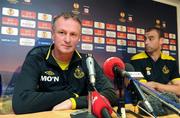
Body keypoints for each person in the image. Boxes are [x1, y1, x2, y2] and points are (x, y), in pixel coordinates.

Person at [12, 12, 117, 114]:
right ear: (53, 35)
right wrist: (69, 95)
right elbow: (21, 103)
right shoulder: (36, 59)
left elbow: (111, 94)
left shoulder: (87, 61)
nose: (67, 39)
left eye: (73, 34)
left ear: (79, 38)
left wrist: (74, 102)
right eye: (62, 33)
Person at [130, 27, 180, 96]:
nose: (146, 42)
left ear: (161, 41)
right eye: (145, 39)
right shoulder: (136, 60)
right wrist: (168, 87)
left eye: (150, 39)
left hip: (168, 104)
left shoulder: (171, 61)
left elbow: (178, 90)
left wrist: (156, 85)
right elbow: (144, 89)